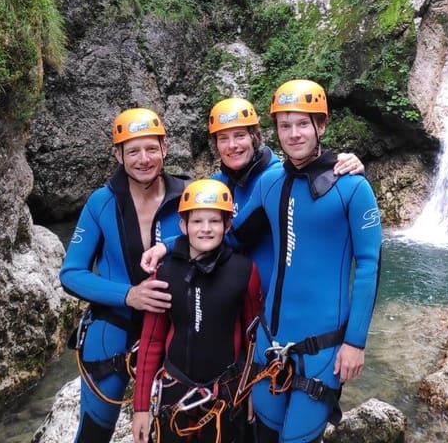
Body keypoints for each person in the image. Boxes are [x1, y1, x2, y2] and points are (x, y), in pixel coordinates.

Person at [249, 79, 382, 443]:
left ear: (321, 126)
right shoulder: (269, 182)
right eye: (285, 125)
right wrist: (169, 246)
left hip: (322, 351)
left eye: (303, 123)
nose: (294, 134)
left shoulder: (352, 186)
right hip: (268, 344)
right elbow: (228, 235)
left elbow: (369, 266)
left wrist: (355, 343)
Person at [140, 97, 364, 298]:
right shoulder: (215, 186)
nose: (232, 146)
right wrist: (166, 247)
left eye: (240, 136)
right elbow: (217, 235)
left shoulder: (278, 178)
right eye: (223, 138)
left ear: (254, 137)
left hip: (279, 302)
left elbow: (313, 178)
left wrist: (340, 163)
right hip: (234, 298)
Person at [60, 108, 189, 443]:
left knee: (175, 431)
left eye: (150, 148)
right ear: (117, 154)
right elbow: (71, 273)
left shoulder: (189, 197)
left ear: (165, 147)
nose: (143, 159)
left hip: (175, 327)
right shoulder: (101, 202)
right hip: (113, 325)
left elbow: (226, 233)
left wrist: (171, 245)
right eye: (132, 151)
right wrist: (129, 295)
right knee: (93, 432)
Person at [131, 179, 262, 443]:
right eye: (197, 221)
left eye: (214, 221)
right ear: (183, 225)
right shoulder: (165, 272)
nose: (205, 229)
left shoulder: (244, 271)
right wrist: (141, 408)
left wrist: (253, 392)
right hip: (174, 391)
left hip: (226, 393)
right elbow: (152, 340)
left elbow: (254, 338)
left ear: (227, 225)